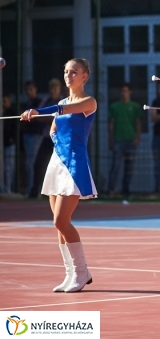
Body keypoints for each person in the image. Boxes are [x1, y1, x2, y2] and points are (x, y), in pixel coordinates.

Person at [22, 58, 97, 293]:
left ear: (85, 76)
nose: (69, 75)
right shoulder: (62, 101)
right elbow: (54, 130)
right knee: (59, 226)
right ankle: (71, 274)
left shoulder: (88, 102)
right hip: (58, 163)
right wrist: (37, 117)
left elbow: (60, 111)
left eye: (74, 72)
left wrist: (37, 111)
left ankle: (82, 272)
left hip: (74, 165)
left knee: (60, 220)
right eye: (66, 71)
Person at [32, 79, 65, 198]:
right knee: (39, 164)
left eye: (55, 88)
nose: (53, 91)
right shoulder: (46, 101)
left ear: (59, 89)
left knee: (60, 167)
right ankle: (36, 191)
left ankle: (60, 192)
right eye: (51, 88)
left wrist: (50, 120)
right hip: (47, 138)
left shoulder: (63, 102)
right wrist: (49, 119)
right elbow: (39, 116)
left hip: (60, 140)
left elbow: (60, 120)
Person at [107, 83, 141, 196]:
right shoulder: (114, 106)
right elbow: (111, 124)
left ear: (130, 92)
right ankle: (111, 189)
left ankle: (125, 189)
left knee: (129, 167)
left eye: (126, 91)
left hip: (131, 139)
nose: (124, 93)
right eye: (122, 91)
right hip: (118, 139)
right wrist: (111, 139)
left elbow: (138, 123)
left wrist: (137, 137)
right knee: (115, 166)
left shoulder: (135, 106)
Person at [21, 80, 44, 197]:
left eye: (31, 89)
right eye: (26, 90)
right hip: (27, 135)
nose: (28, 92)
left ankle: (34, 189)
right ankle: (31, 189)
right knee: (28, 163)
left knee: (32, 162)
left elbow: (40, 118)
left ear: (35, 89)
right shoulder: (26, 103)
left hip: (36, 135)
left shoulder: (39, 102)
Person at [3, 95, 16, 193]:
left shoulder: (12, 112)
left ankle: (8, 189)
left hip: (9, 144)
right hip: (2, 144)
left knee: (9, 168)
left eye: (4, 101)